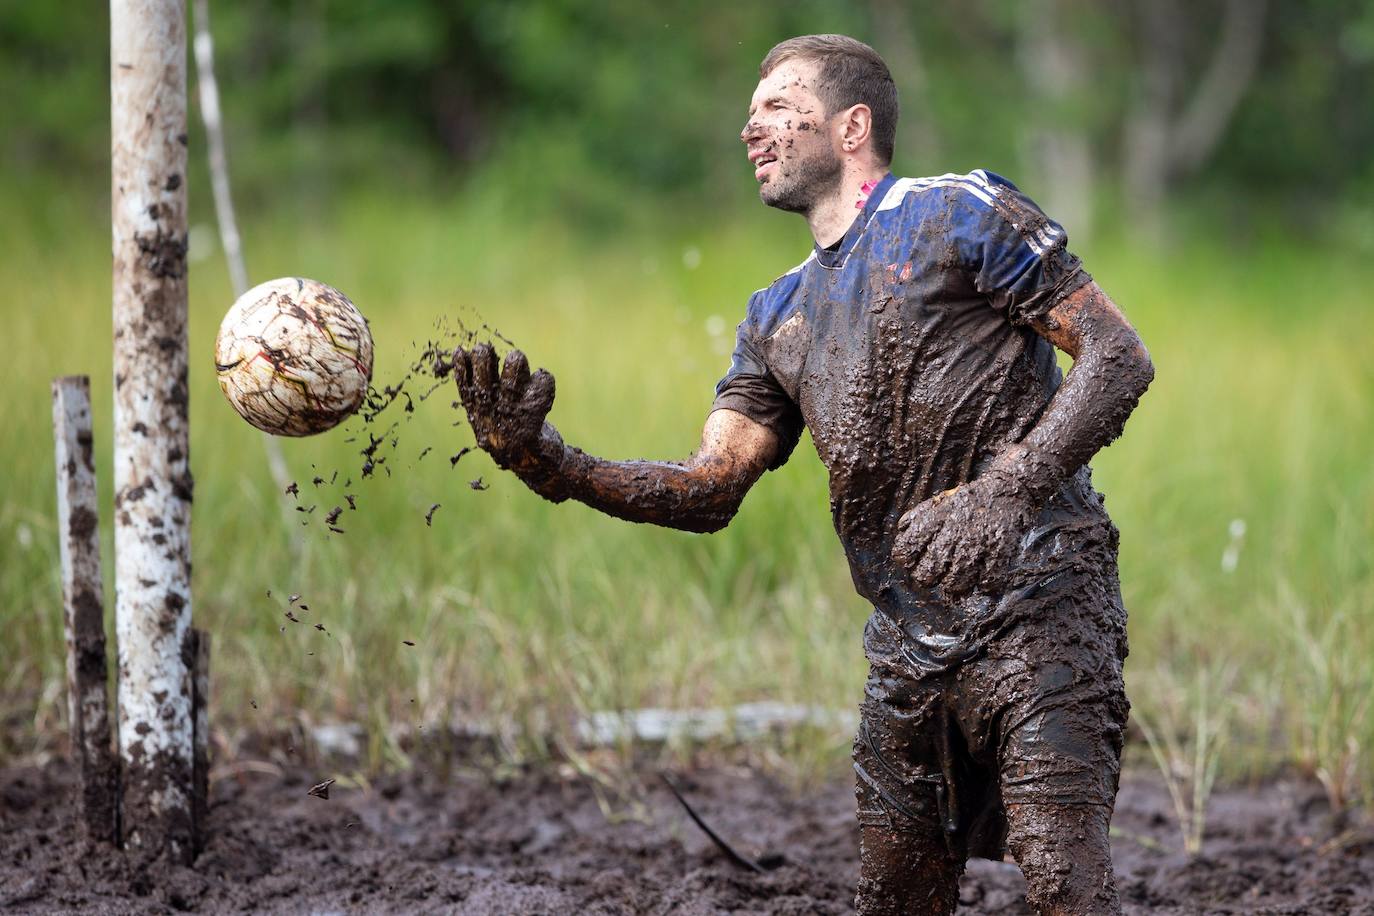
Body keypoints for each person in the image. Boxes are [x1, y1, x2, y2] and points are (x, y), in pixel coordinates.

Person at [453, 33, 1153, 916]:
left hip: (1041, 600)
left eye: (779, 107)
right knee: (894, 898)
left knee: (1061, 881)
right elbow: (710, 488)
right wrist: (547, 461)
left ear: (852, 125)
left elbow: (1118, 356)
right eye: (750, 115)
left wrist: (1007, 490)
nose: (753, 129)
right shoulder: (775, 313)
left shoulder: (960, 212)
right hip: (906, 641)